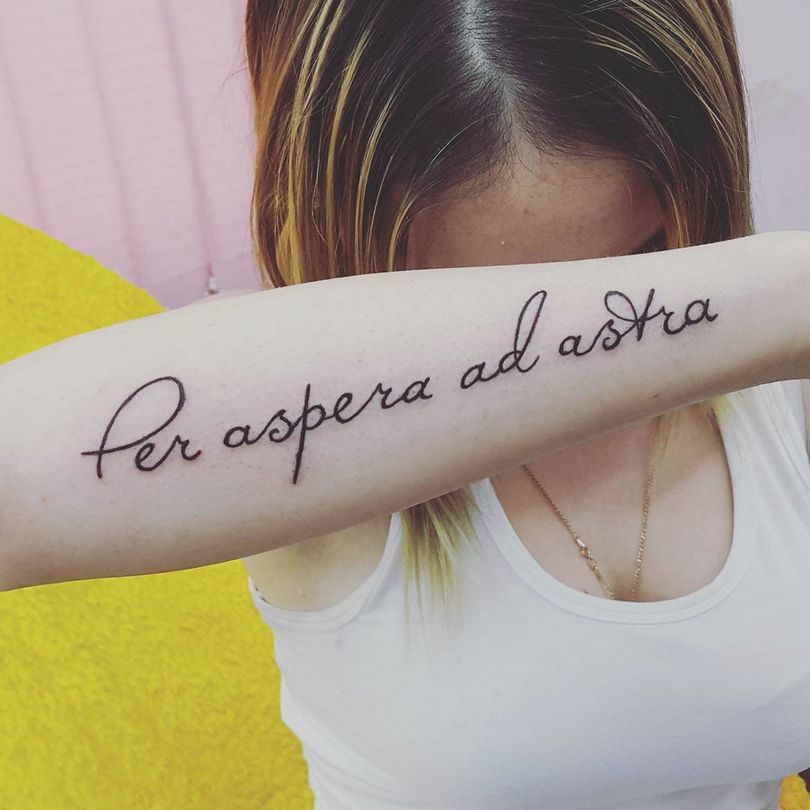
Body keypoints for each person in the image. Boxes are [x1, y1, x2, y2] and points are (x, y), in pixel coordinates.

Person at [2, 0, 809, 807]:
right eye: (479, 311)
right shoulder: (297, 420)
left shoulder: (781, 389)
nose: (586, 341)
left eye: (638, 261)